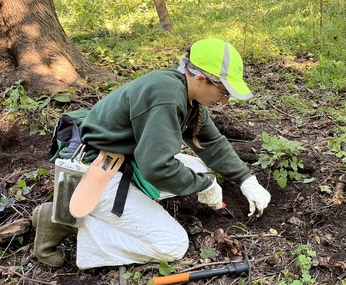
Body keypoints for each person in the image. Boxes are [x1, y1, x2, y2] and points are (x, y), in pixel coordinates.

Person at [33, 38, 271, 269]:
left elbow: (210, 141)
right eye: (223, 92)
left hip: (123, 159)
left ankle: (105, 210)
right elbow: (157, 167)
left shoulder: (187, 93)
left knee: (199, 169)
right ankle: (68, 221)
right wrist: (201, 186)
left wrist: (246, 179)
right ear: (200, 78)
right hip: (95, 171)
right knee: (172, 245)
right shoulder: (167, 97)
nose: (225, 101)